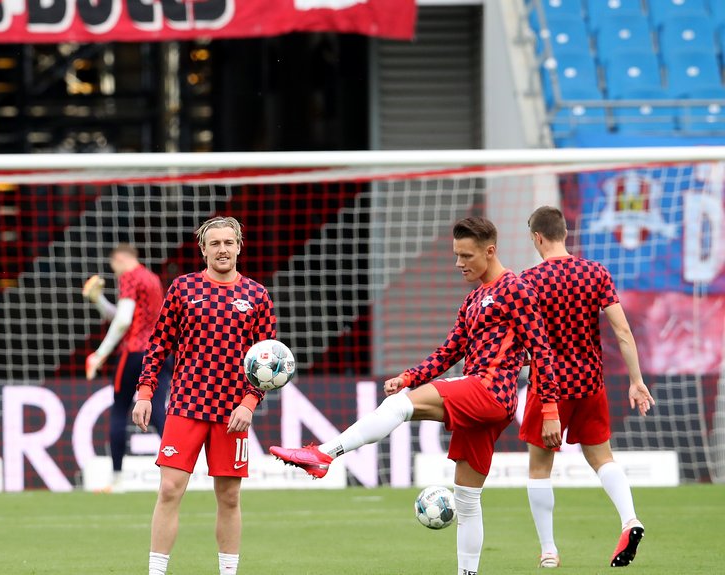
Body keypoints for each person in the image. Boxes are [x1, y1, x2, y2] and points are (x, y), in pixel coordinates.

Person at [270, 216, 561, 575]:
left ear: (490, 251)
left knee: (399, 407)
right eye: (456, 255)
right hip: (481, 398)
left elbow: (542, 350)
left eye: (467, 255)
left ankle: (324, 454)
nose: (459, 263)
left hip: (489, 391)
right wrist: (410, 375)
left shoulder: (515, 289)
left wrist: (549, 409)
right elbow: (449, 351)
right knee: (467, 500)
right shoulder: (473, 299)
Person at [133, 216, 277, 575]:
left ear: (239, 246)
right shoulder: (182, 289)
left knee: (229, 497)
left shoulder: (257, 295)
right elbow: (159, 344)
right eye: (215, 244)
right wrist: (146, 391)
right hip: (186, 404)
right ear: (203, 250)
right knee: (169, 489)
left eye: (229, 242)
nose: (223, 249)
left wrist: (249, 402)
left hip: (232, 413)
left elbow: (269, 358)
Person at [518, 206, 655, 569]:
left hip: (549, 387)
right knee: (602, 458)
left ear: (537, 237)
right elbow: (623, 332)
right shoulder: (596, 272)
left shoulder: (528, 280)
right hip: (590, 382)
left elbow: (525, 342)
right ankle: (630, 519)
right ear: (565, 233)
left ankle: (548, 550)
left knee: (539, 469)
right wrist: (636, 381)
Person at [81, 243, 171, 492]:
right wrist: (98, 299)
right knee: (157, 412)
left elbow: (122, 321)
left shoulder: (130, 277)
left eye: (114, 266)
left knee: (120, 411)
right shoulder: (151, 279)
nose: (116, 273)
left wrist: (99, 354)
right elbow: (126, 315)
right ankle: (179, 468)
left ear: (120, 259)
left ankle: (118, 479)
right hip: (159, 353)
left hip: (133, 353)